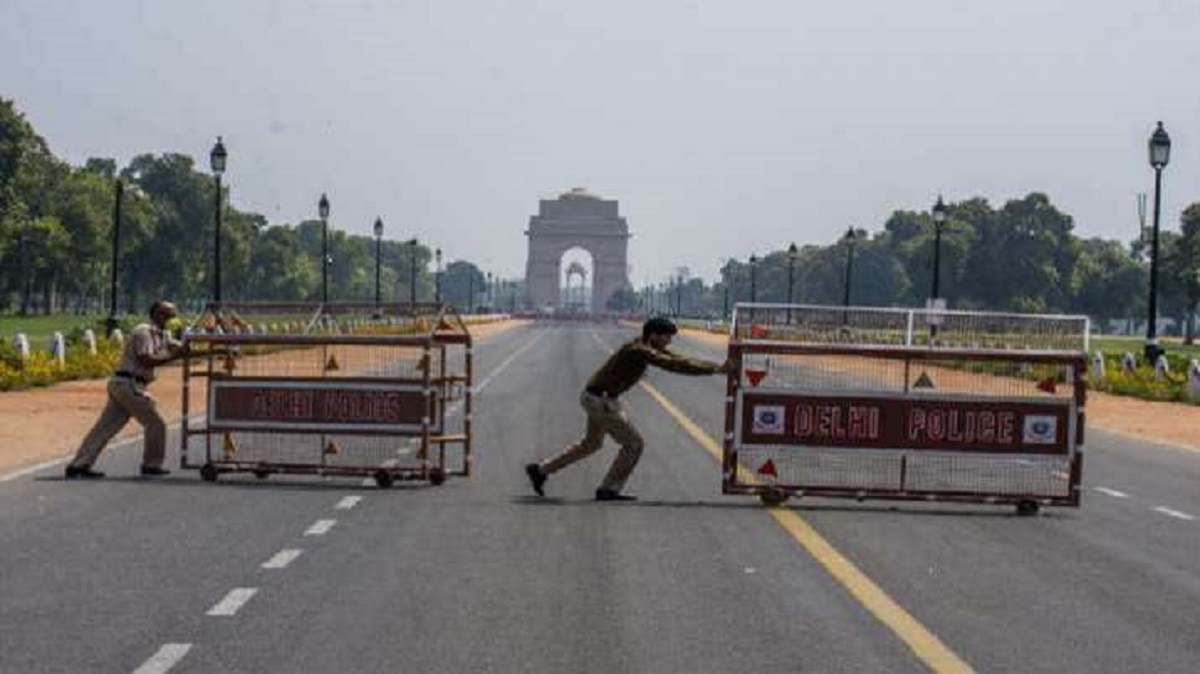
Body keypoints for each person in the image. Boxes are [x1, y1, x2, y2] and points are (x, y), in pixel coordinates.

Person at [525, 317, 730, 501]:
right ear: (654, 336)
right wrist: (717, 369)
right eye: (667, 337)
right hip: (600, 400)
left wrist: (717, 367)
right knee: (633, 444)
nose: (669, 341)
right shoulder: (639, 350)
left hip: (599, 398)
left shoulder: (644, 347)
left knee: (591, 444)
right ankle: (608, 489)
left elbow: (678, 359)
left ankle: (541, 470)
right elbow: (672, 364)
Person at [64, 300, 185, 479]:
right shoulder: (144, 332)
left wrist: (216, 350)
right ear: (155, 315)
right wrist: (174, 355)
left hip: (123, 384)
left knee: (105, 427)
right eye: (166, 314)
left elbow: (182, 350)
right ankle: (151, 465)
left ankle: (79, 465)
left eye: (173, 315)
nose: (170, 318)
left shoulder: (161, 335)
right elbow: (146, 359)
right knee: (155, 424)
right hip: (129, 384)